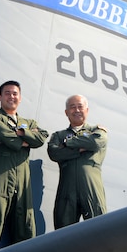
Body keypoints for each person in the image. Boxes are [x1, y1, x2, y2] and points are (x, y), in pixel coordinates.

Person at [0, 80, 49, 252]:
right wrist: (25, 141)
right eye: (7, 93)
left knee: (25, 222)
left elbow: (42, 137)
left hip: (22, 175)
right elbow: (3, 134)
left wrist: (23, 133)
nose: (11, 96)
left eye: (15, 93)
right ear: (0, 97)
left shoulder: (27, 123)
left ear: (20, 98)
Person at [47, 94, 107, 229]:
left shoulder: (97, 131)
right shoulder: (58, 135)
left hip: (91, 186)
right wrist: (79, 148)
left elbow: (96, 142)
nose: (77, 110)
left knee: (99, 228)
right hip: (67, 189)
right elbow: (54, 153)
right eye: (72, 107)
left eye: (80, 106)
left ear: (87, 110)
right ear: (66, 112)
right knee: (63, 231)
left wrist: (68, 143)